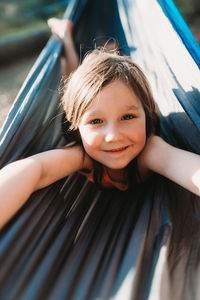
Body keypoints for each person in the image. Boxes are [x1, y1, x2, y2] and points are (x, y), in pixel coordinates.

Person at [0, 19, 200, 229]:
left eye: (128, 117)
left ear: (147, 116)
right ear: (78, 127)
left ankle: (110, 53)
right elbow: (36, 169)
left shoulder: (150, 149)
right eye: (96, 122)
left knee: (92, 92)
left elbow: (185, 166)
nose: (113, 136)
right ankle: (67, 36)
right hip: (77, 105)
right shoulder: (83, 154)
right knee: (74, 84)